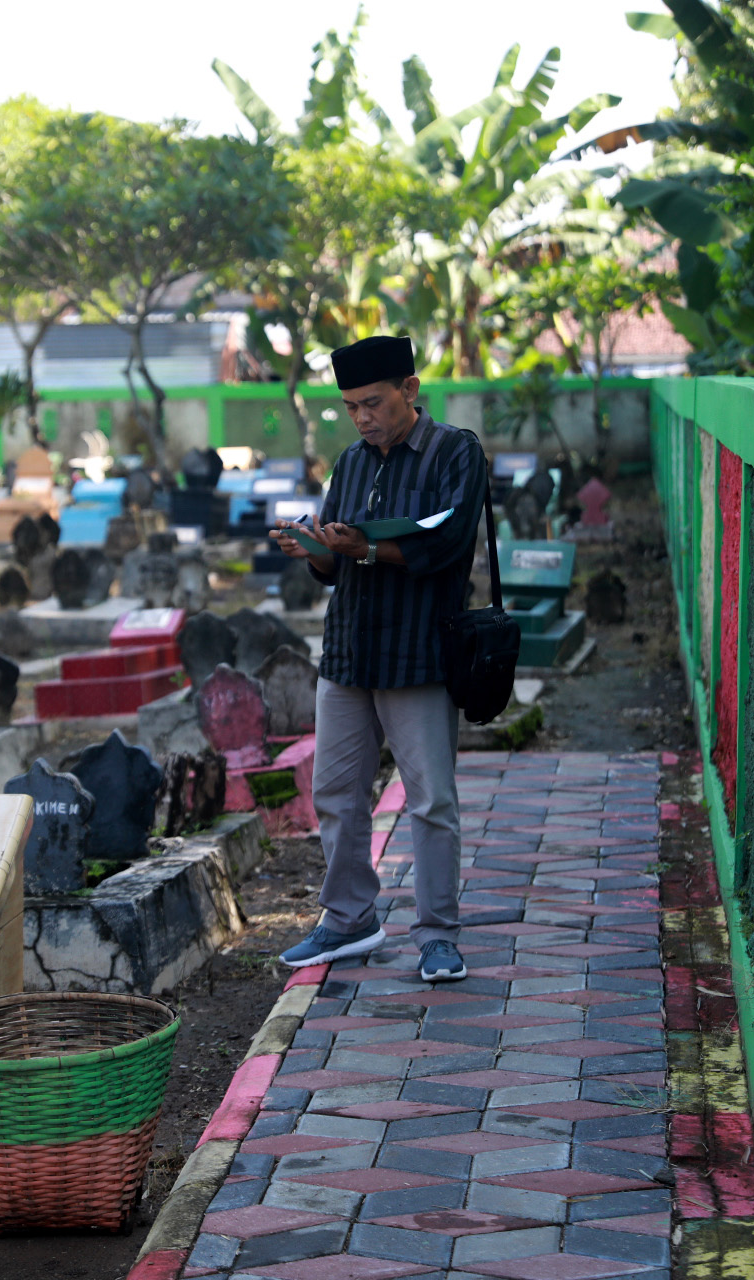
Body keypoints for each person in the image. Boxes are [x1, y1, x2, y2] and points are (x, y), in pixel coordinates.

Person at [269, 334, 488, 982]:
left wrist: (365, 550)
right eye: (351, 407)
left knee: (429, 801)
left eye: (373, 403)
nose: (363, 418)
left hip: (418, 651)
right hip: (348, 652)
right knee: (335, 791)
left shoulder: (456, 452)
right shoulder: (351, 461)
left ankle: (438, 935)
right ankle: (349, 918)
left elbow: (448, 545)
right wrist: (315, 547)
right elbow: (336, 566)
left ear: (409, 392)